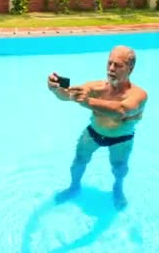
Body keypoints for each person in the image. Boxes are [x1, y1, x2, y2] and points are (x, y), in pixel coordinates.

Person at [47, 45, 148, 210]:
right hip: (94, 133)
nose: (111, 69)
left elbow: (121, 111)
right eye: (109, 63)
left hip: (121, 139)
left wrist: (88, 101)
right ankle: (74, 187)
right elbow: (68, 95)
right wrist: (55, 89)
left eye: (118, 65)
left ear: (130, 68)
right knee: (79, 161)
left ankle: (118, 187)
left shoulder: (139, 94)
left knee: (119, 168)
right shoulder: (97, 88)